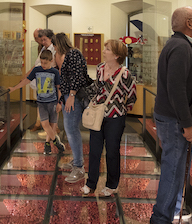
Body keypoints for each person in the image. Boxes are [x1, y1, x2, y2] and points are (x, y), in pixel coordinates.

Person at [149, 7, 192, 224]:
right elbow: (176, 89)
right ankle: (161, 219)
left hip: (176, 119)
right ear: (189, 23)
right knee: (173, 169)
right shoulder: (181, 47)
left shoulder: (180, 45)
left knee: (175, 168)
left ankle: (172, 208)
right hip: (175, 121)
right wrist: (187, 123)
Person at [81, 39, 137, 198]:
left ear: (117, 55)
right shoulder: (100, 68)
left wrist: (123, 108)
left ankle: (111, 185)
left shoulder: (125, 74)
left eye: (107, 49)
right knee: (94, 150)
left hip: (116, 118)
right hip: (98, 114)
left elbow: (132, 95)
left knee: (112, 151)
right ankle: (90, 183)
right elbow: (97, 88)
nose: (104, 51)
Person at [53, 32, 93, 182]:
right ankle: (77, 160)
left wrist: (71, 95)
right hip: (67, 95)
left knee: (71, 129)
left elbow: (77, 76)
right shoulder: (65, 55)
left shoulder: (73, 53)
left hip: (73, 96)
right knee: (69, 128)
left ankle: (79, 167)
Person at [9, 49, 65, 156]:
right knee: (44, 124)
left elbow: (59, 88)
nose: (43, 65)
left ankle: (47, 144)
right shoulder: (36, 70)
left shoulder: (55, 72)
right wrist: (14, 88)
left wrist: (59, 102)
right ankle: (56, 141)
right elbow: (26, 81)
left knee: (52, 125)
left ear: (51, 61)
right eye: (41, 62)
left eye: (45, 63)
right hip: (41, 102)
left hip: (53, 102)